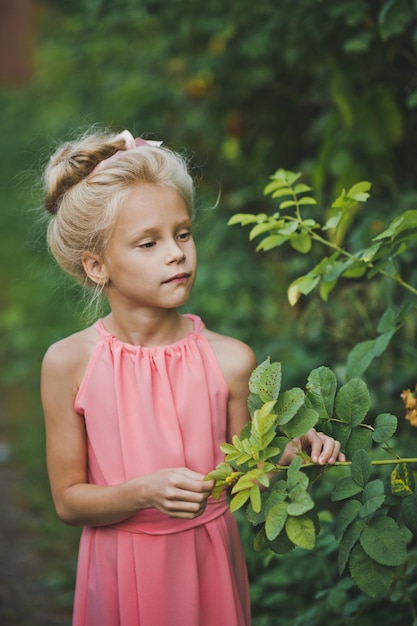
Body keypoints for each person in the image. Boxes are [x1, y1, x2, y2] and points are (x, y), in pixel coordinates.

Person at [40, 129, 345, 626]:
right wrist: (142, 491)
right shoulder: (69, 364)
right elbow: (69, 501)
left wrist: (289, 453)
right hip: (121, 566)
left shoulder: (229, 360)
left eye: (182, 233)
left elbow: (246, 474)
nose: (176, 253)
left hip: (207, 566)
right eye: (148, 242)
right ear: (96, 265)